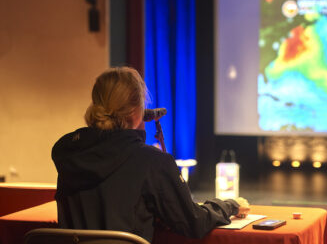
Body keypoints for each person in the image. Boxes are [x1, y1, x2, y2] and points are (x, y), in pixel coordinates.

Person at [52, 67, 250, 243]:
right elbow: (192, 222)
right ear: (136, 112)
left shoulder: (70, 153)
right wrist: (229, 206)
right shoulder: (150, 161)